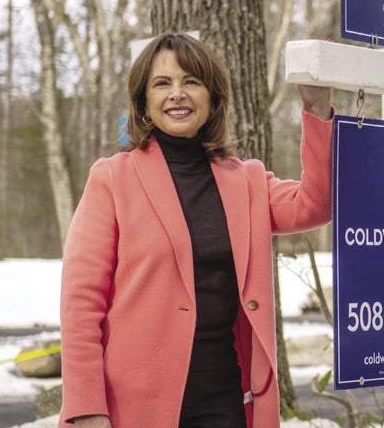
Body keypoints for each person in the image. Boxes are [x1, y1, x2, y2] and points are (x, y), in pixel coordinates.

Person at [58, 32, 333, 428]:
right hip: (133, 406)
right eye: (162, 83)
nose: (177, 94)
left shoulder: (247, 181)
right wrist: (86, 407)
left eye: (191, 81)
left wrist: (317, 109)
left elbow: (315, 204)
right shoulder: (112, 178)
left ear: (212, 97)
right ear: (144, 103)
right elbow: (81, 304)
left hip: (225, 399)